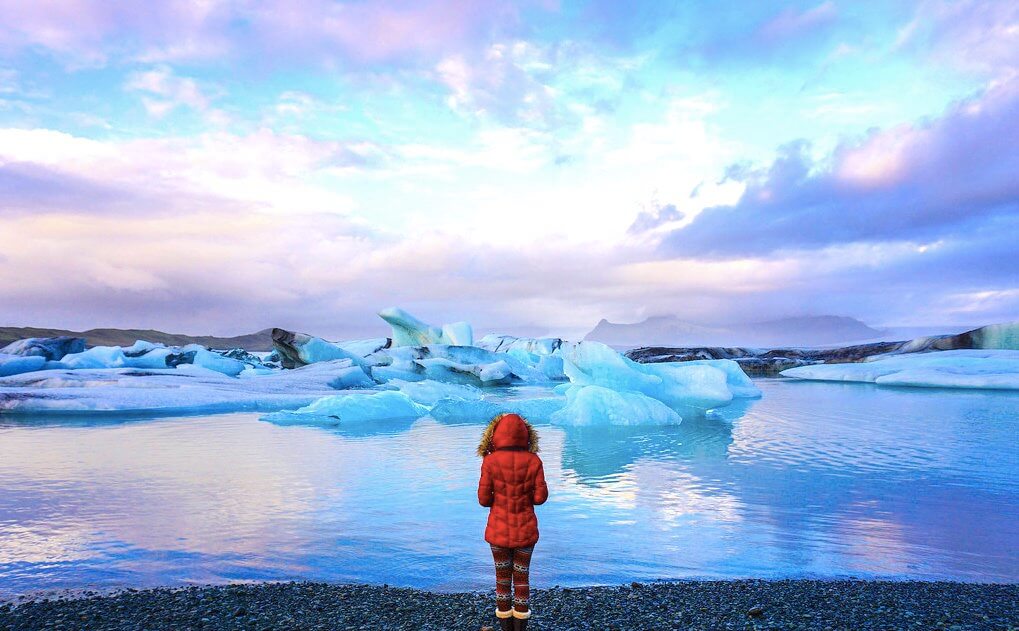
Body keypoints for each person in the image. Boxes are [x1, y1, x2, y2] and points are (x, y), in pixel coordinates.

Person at [477, 412, 548, 631]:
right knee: (521, 579)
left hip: (498, 533)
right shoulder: (534, 460)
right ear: (526, 435)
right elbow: (540, 498)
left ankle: (505, 627)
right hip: (525, 532)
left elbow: (483, 500)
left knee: (502, 579)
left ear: (494, 435)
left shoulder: (490, 461)